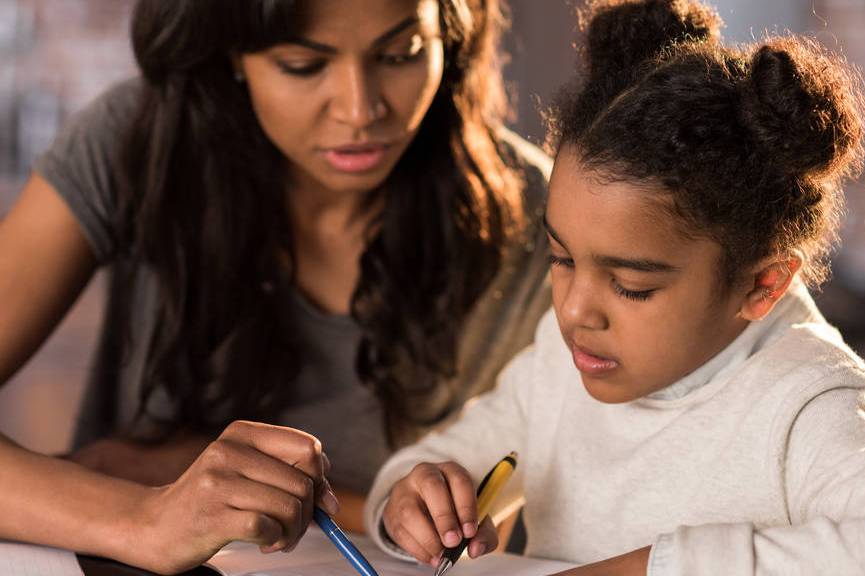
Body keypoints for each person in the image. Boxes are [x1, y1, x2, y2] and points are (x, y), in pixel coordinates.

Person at [364, 1, 865, 574]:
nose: (575, 309)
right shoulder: (562, 365)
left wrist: (656, 566)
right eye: (561, 259)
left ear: (763, 285)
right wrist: (409, 501)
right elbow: (430, 467)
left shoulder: (807, 400)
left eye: (632, 286)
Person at [0, 0, 550, 571]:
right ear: (235, 53)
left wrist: (202, 475)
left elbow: (497, 515)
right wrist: (141, 517)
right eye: (302, 65)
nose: (360, 110)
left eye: (400, 53)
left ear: (452, 39)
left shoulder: (543, 219)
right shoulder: (139, 141)